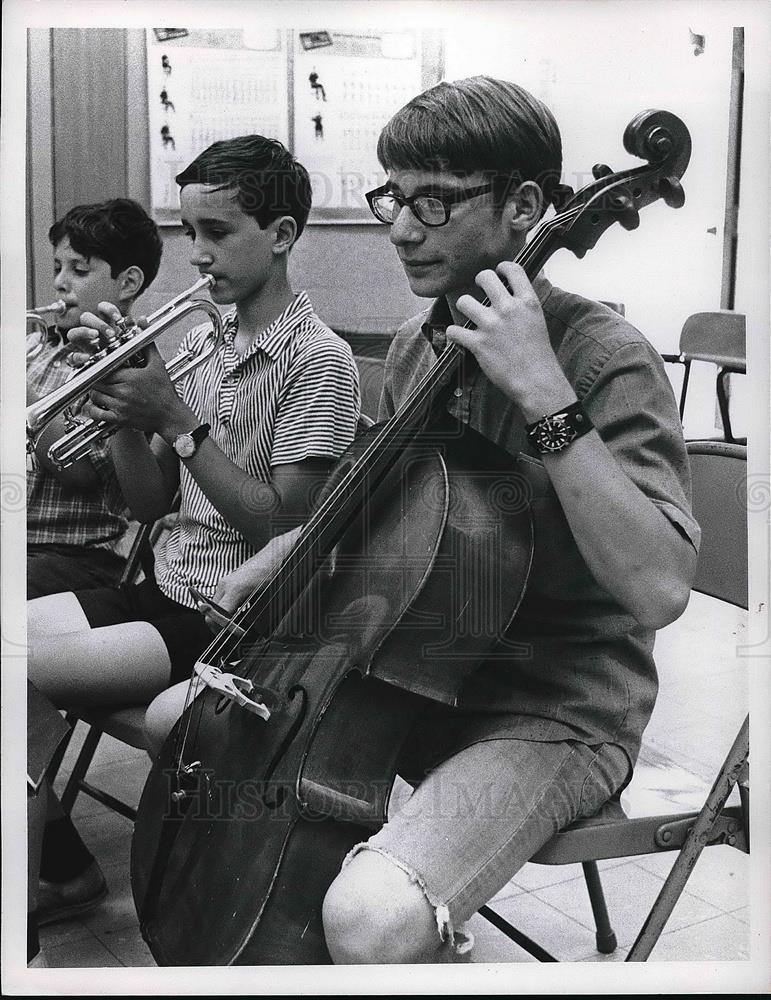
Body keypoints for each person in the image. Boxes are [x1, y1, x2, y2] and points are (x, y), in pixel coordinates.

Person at [147, 77, 700, 965]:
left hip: (553, 707)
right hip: (417, 670)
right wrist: (290, 548)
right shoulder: (420, 343)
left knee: (367, 919)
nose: (400, 227)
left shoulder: (603, 356)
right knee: (181, 719)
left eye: (433, 201)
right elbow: (388, 502)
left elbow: (660, 585)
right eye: (392, 196)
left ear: (524, 205)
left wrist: (544, 392)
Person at [26, 134, 360, 943]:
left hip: (234, 622)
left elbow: (282, 525)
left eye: (218, 233)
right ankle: (38, 878)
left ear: (280, 234)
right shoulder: (203, 341)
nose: (198, 256)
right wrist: (115, 410)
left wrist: (176, 420)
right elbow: (148, 503)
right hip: (159, 589)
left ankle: (43, 884)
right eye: (190, 234)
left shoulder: (320, 361)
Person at [27, 197, 163, 599]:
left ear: (128, 283)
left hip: (73, 558)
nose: (59, 282)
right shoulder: (37, 346)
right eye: (57, 268)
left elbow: (77, 472)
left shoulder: (136, 374)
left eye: (78, 269)